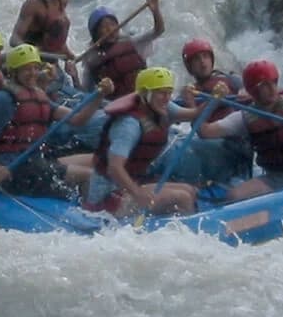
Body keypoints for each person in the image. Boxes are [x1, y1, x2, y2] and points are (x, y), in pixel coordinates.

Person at [0, 44, 112, 200]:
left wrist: (98, 97)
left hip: (35, 161)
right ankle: (88, 216)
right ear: (14, 71)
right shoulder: (3, 99)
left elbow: (78, 120)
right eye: (27, 69)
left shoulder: (37, 95)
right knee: (88, 175)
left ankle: (98, 203)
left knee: (96, 161)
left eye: (36, 68)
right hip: (14, 170)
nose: (33, 73)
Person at [197, 60, 283, 202]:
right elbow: (204, 132)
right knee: (234, 196)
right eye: (264, 85)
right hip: (275, 178)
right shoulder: (245, 117)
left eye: (273, 82)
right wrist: (212, 101)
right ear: (253, 90)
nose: (272, 88)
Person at [83, 67, 200, 217]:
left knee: (189, 190)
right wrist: (138, 194)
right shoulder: (129, 125)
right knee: (183, 198)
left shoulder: (159, 105)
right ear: (145, 93)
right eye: (161, 93)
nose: (167, 97)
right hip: (106, 200)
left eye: (169, 92)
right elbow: (114, 168)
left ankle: (176, 222)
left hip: (127, 189)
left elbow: (195, 114)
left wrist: (214, 98)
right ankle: (187, 232)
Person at [154, 38, 253, 186]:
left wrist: (247, 92)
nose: (203, 62)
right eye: (197, 59)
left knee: (183, 150)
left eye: (205, 56)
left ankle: (190, 184)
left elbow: (256, 93)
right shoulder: (189, 91)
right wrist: (188, 102)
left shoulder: (231, 80)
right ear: (189, 66)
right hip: (211, 142)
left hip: (233, 144)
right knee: (169, 142)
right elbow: (168, 119)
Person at [79, 0, 165, 100]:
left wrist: (155, 11)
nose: (109, 29)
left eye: (112, 24)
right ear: (96, 34)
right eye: (103, 27)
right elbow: (85, 92)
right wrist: (74, 76)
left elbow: (158, 30)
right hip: (116, 106)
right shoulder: (91, 58)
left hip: (144, 99)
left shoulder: (131, 42)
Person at [12, 0, 78, 87]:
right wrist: (32, 53)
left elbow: (54, 37)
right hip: (35, 68)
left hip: (53, 64)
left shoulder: (62, 1)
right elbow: (14, 39)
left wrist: (69, 54)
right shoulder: (33, 4)